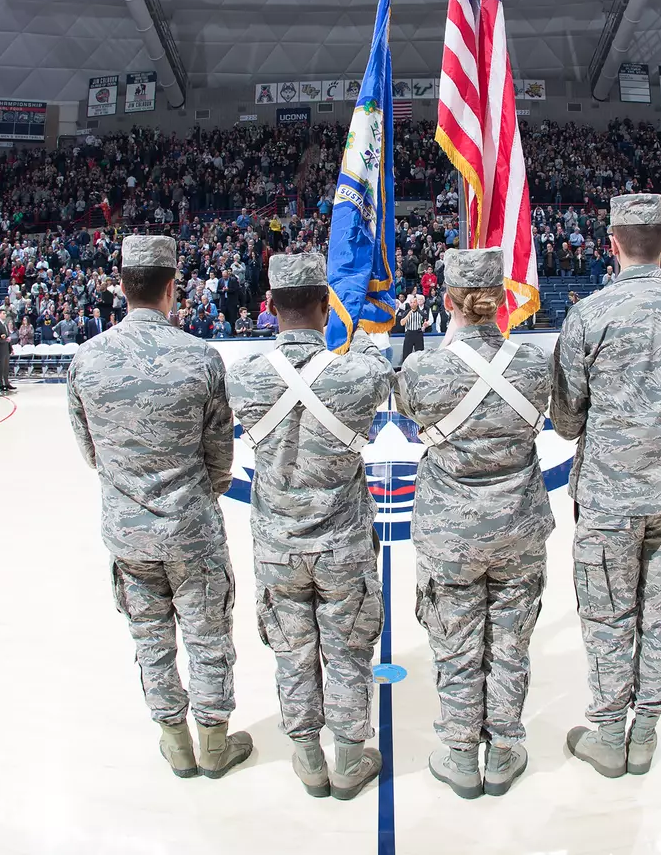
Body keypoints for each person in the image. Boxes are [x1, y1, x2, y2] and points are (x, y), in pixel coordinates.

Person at [66, 235, 252, 782]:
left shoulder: (87, 360)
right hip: (192, 528)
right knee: (208, 636)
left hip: (129, 534)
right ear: (173, 288)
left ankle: (174, 743)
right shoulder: (200, 357)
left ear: (122, 287)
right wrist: (193, 495)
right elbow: (222, 457)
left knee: (150, 638)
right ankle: (214, 745)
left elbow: (91, 454)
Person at [552, 193, 661, 780]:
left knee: (607, 615)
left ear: (612, 244)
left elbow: (568, 418)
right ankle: (645, 733)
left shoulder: (588, 316)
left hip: (608, 496)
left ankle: (608, 737)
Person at [225, 252, 392, 800]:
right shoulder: (356, 375)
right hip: (342, 544)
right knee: (347, 649)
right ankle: (348, 759)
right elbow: (380, 366)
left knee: (292, 651)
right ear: (327, 306)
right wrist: (358, 329)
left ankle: (306, 756)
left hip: (278, 546)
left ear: (270, 308)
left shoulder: (245, 379)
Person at [395, 247, 553, 799]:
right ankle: (504, 749)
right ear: (503, 302)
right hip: (519, 527)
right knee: (510, 642)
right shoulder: (534, 365)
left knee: (456, 642)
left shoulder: (422, 369)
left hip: (451, 533)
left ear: (447, 301)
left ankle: (461, 753)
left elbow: (413, 413)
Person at [400, 294, 426, 362]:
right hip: (409, 333)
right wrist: (409, 314)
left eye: (414, 302)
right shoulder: (406, 312)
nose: (413, 304)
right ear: (409, 304)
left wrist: (425, 325)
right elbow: (402, 323)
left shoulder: (421, 313)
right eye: (411, 302)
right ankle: (405, 368)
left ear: (417, 303)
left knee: (420, 353)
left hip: (418, 333)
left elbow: (426, 322)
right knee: (406, 352)